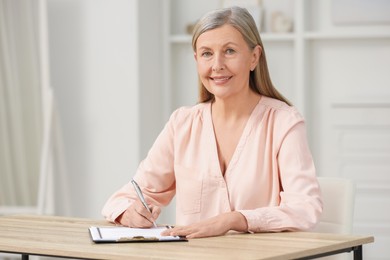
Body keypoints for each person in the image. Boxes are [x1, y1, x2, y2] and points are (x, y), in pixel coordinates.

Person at [102, 6, 322, 239]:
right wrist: (131, 214)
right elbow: (123, 199)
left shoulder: (283, 122)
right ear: (197, 59)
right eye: (207, 53)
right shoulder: (182, 124)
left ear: (254, 57)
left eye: (229, 51)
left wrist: (236, 219)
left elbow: (305, 209)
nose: (217, 65)